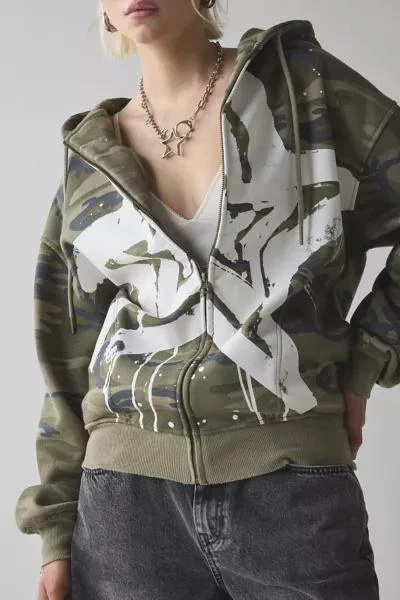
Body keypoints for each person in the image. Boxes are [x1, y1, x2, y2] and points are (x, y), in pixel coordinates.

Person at [15, 0, 399, 598]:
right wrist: (57, 529)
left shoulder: (301, 92)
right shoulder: (91, 159)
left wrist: (368, 358)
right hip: (124, 507)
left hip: (291, 491)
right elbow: (65, 352)